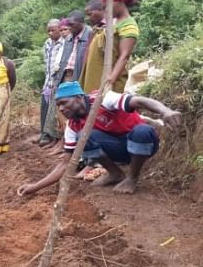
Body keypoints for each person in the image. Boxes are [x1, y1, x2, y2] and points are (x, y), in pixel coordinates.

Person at [18, 81, 182, 196]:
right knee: (84, 137)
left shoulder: (103, 99)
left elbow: (139, 100)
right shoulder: (73, 126)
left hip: (141, 143)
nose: (61, 109)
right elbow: (65, 163)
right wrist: (35, 187)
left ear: (79, 98)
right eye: (59, 105)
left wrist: (165, 111)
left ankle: (132, 178)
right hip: (117, 150)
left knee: (142, 131)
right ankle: (115, 173)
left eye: (64, 103)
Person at [80, 0, 139, 93]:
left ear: (120, 1)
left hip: (110, 81)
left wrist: (110, 80)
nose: (106, 9)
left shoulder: (129, 25)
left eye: (108, 4)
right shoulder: (112, 23)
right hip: (96, 77)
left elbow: (124, 56)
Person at [39, 19, 65, 148]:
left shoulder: (64, 43)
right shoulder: (47, 43)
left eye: (53, 30)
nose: (50, 33)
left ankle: (54, 137)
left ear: (59, 29)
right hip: (48, 81)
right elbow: (47, 64)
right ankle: (44, 133)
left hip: (58, 82)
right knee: (44, 107)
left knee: (55, 110)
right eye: (48, 30)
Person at [54, 10, 93, 85]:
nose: (69, 27)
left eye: (72, 24)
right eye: (68, 25)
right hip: (66, 76)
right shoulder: (69, 38)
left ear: (81, 23)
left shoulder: (90, 35)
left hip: (81, 77)